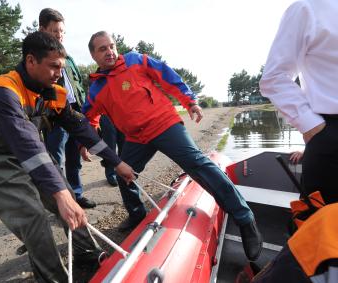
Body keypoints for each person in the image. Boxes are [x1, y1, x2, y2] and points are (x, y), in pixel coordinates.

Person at [0, 31, 134, 282]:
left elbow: (80, 128)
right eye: (53, 66)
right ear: (31, 61)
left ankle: (86, 252)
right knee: (32, 214)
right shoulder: (2, 91)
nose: (58, 73)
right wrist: (61, 195)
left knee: (67, 199)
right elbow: (24, 141)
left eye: (61, 67)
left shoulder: (52, 92)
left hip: (30, 149)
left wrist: (116, 162)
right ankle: (52, 277)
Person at [83, 31, 263, 261]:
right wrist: (85, 143)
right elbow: (88, 119)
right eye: (102, 49)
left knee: (197, 164)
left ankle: (245, 218)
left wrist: (190, 101)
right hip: (137, 137)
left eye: (111, 46)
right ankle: (138, 217)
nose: (109, 51)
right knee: (123, 175)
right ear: (93, 55)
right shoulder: (96, 89)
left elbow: (168, 76)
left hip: (164, 123)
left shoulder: (136, 60)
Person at [260, 0, 338, 204]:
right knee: (326, 229)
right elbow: (274, 76)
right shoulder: (308, 8)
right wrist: (312, 126)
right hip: (331, 139)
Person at [38, 8, 96, 209]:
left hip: (73, 113)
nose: (59, 35)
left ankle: (77, 195)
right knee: (57, 161)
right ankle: (61, 203)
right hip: (54, 118)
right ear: (42, 29)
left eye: (62, 31)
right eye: (54, 31)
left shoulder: (68, 58)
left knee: (74, 159)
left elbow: (77, 87)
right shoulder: (37, 59)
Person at [99, 115, 125, 186]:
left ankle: (122, 171)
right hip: (105, 114)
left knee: (124, 145)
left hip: (121, 112)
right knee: (109, 147)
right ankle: (110, 173)